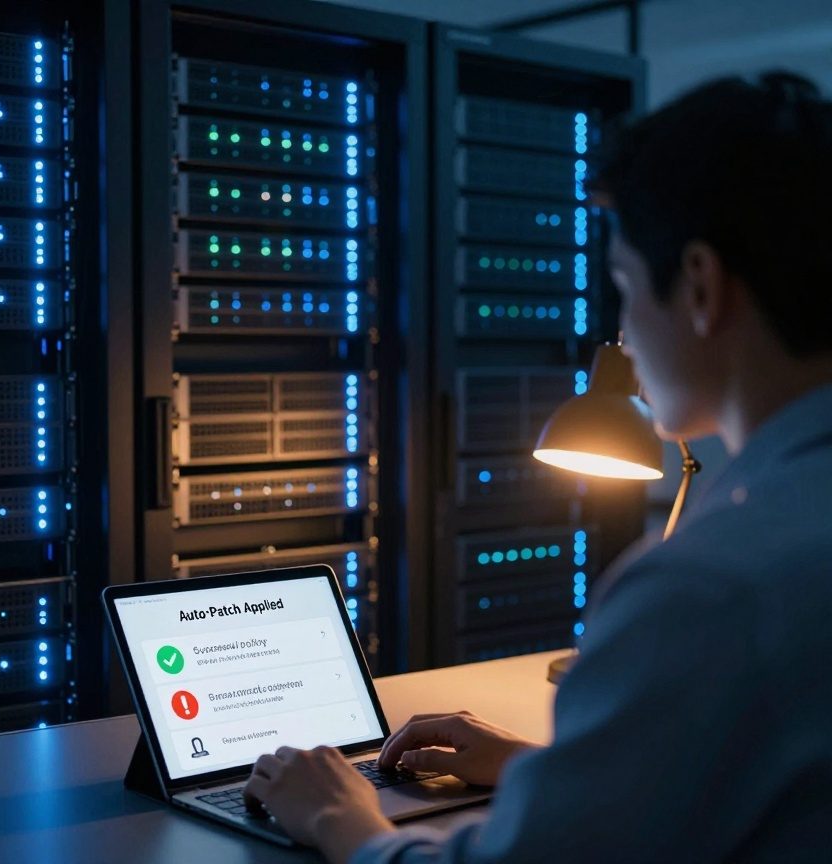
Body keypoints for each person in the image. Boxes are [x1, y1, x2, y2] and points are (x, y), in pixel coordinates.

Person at [242, 70, 832, 863]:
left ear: (700, 285)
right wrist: (555, 771)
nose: (623, 334)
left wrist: (340, 820)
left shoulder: (705, 589)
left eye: (623, 287)